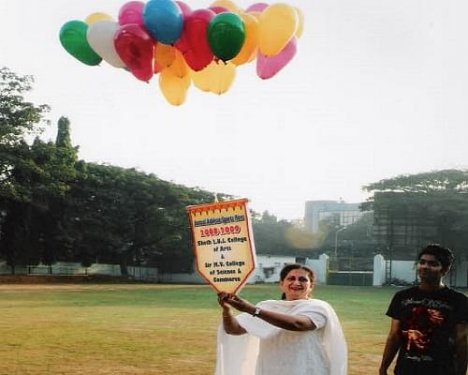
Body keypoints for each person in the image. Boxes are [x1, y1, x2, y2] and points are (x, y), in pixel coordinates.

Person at [215, 264, 347, 375]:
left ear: (311, 286)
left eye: (303, 279)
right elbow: (234, 330)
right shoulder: (268, 306)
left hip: (307, 369)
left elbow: (298, 324)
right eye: (291, 278)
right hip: (271, 370)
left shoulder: (318, 307)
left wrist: (252, 310)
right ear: (282, 284)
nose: (296, 283)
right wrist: (227, 311)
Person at [379, 244, 468, 375]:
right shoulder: (402, 297)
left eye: (433, 264)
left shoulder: (458, 301)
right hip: (406, 370)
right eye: (422, 262)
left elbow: (462, 341)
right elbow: (394, 336)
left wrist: (461, 372)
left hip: (442, 370)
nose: (425, 266)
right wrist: (383, 368)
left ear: (445, 269)